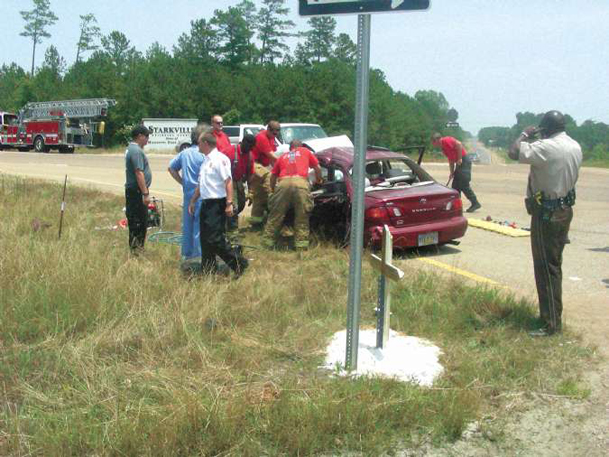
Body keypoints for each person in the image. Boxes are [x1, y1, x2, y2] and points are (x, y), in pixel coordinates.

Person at [509, 110, 582, 337]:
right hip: (564, 210)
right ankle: (551, 316)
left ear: (546, 128)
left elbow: (513, 152)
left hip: (546, 214)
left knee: (546, 269)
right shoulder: (575, 146)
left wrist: (525, 134)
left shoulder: (546, 147)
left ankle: (550, 324)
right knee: (554, 265)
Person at [188, 132, 248, 277]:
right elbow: (201, 184)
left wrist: (229, 203)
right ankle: (208, 269)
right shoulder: (205, 161)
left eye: (200, 143)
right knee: (205, 239)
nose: (198, 146)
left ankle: (239, 263)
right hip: (206, 204)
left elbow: (228, 181)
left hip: (217, 204)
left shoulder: (220, 159)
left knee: (215, 238)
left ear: (206, 144)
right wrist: (193, 200)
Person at [262, 140, 322, 251]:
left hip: (283, 183)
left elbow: (273, 176)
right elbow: (317, 168)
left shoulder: (282, 156)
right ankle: (301, 247)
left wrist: (273, 190)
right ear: (301, 146)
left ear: (290, 148)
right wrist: (319, 181)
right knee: (302, 215)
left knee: (275, 216)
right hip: (300, 182)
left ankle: (267, 245)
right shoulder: (306, 151)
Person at [168, 123, 208, 262]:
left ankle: (187, 254)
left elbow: (171, 168)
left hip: (188, 193)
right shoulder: (204, 154)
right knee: (200, 225)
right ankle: (198, 255)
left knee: (188, 224)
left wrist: (182, 182)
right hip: (202, 193)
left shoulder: (184, 153)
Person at [431, 133, 481, 212]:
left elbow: (459, 144)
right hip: (458, 163)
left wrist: (460, 158)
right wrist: (451, 172)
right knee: (455, 186)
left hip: (464, 161)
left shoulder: (446, 140)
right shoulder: (443, 148)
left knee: (463, 184)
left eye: (433, 142)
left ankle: (475, 203)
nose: (433, 144)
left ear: (437, 140)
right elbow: (450, 160)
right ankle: (457, 206)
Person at [124, 125, 152, 254]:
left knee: (140, 221)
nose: (148, 140)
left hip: (136, 191)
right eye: (147, 136)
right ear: (140, 136)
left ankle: (138, 249)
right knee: (139, 222)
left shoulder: (133, 149)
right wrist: (145, 193)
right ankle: (136, 251)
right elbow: (138, 172)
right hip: (136, 191)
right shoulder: (136, 151)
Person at [249, 121, 281, 228]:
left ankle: (256, 223)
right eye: (274, 133)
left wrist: (278, 170)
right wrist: (285, 163)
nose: (275, 135)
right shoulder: (262, 137)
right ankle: (272, 196)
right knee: (269, 177)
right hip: (253, 164)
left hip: (262, 166)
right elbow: (271, 156)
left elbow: (272, 161)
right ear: (268, 129)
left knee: (259, 195)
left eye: (277, 133)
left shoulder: (271, 138)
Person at [223, 133, 256, 236]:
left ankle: (226, 222)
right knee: (234, 206)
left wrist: (250, 191)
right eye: (249, 146)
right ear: (243, 142)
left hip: (239, 181)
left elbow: (250, 174)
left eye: (252, 147)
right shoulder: (229, 151)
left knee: (241, 204)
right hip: (228, 181)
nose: (250, 149)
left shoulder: (250, 156)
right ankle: (232, 231)